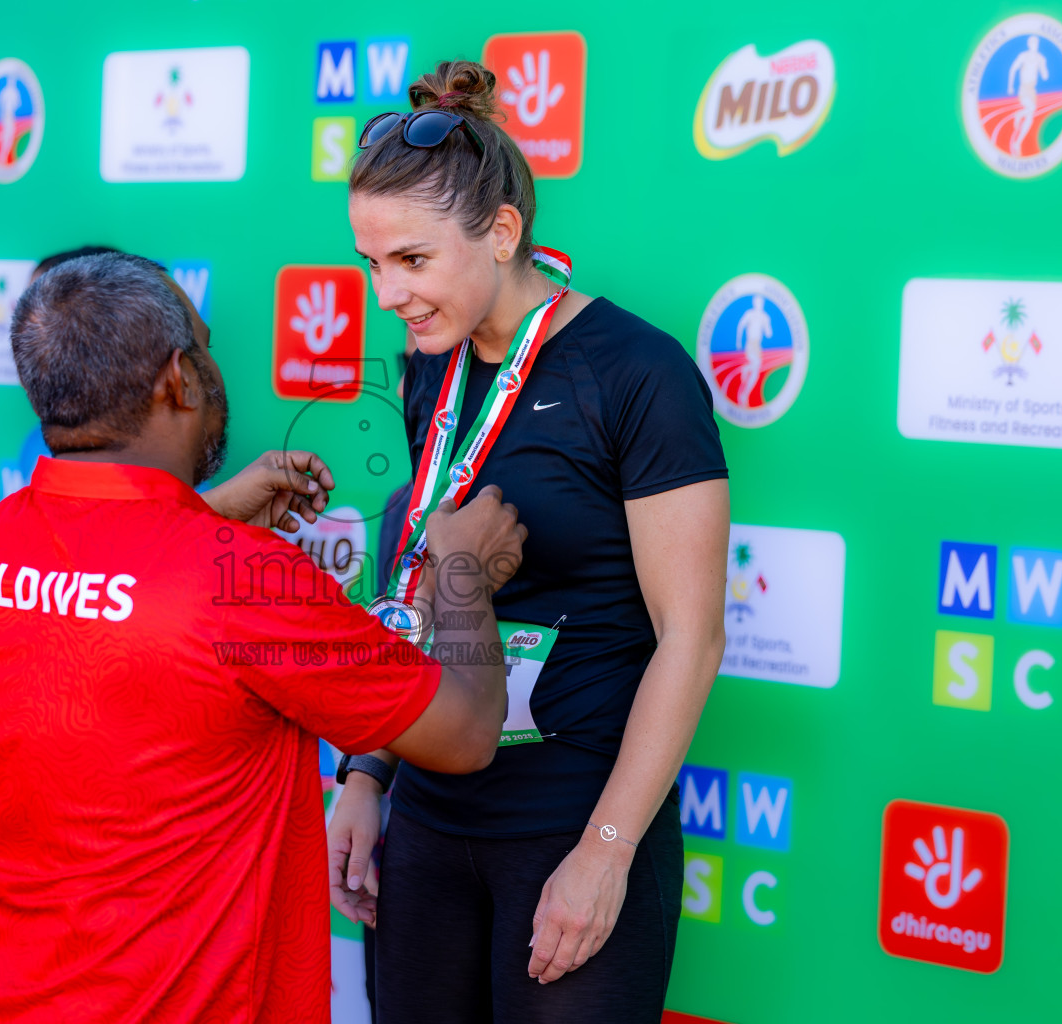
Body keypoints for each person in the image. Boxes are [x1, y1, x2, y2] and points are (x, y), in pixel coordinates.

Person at [0, 251, 529, 1023]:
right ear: (177, 378)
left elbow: (114, 585)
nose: (217, 371)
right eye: (207, 349)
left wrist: (199, 512)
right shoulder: (239, 580)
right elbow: (469, 731)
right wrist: (464, 578)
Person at [329, 60, 731, 1023]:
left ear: (503, 233)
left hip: (570, 823)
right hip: (429, 818)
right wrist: (367, 771)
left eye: (412, 261)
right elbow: (420, 582)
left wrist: (604, 853)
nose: (387, 294)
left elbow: (693, 637)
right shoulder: (431, 365)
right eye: (370, 265)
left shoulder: (638, 373)